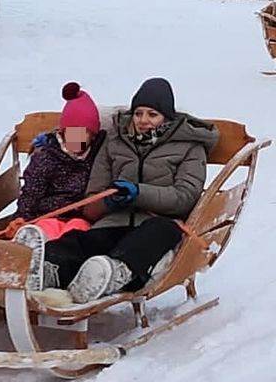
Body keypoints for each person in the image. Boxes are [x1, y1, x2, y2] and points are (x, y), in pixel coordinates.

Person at [27, 77, 217, 305]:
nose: (143, 120)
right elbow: (91, 200)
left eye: (152, 114)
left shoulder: (189, 148)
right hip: (114, 221)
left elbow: (185, 197)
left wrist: (139, 193)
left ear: (167, 116)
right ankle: (49, 266)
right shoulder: (116, 143)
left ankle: (115, 272)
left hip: (159, 222)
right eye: (138, 113)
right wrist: (107, 202)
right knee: (83, 239)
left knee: (157, 233)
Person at [12, 83, 104, 249]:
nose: (77, 138)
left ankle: (58, 256)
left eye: (83, 133)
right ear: (63, 132)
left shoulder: (97, 155)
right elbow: (32, 191)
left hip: (79, 216)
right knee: (46, 229)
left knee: (77, 230)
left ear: (93, 136)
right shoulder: (47, 156)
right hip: (47, 215)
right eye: (72, 133)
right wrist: (22, 217)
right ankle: (35, 247)